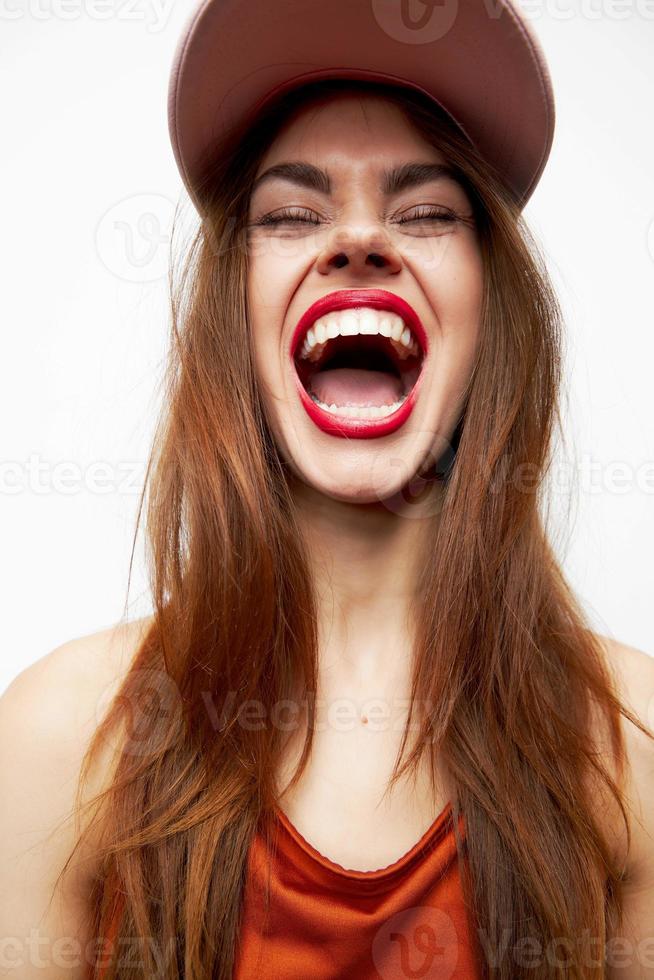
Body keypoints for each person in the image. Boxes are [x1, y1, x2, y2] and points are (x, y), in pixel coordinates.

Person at [2, 0, 653, 978]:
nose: (355, 239)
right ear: (237, 308)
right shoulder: (60, 740)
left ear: (492, 309)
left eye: (427, 211)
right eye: (292, 214)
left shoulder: (633, 750)